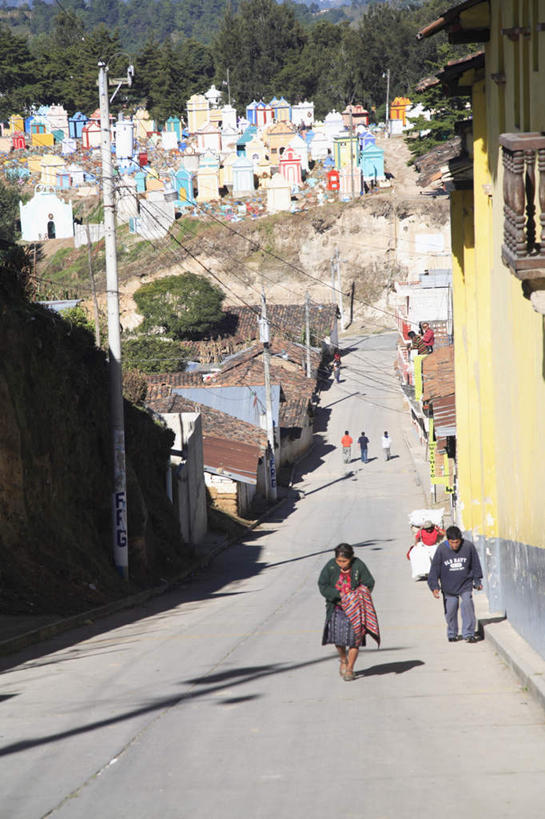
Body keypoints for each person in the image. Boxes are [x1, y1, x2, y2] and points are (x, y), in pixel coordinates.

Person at [318, 543, 378, 681]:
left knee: (354, 640)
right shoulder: (331, 566)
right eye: (339, 561)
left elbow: (369, 582)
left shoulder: (359, 566)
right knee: (338, 640)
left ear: (351, 558)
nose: (341, 564)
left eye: (344, 561)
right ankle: (343, 659)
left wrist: (358, 594)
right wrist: (338, 594)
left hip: (356, 610)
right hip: (337, 608)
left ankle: (350, 668)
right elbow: (322, 584)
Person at [428, 525, 483, 643]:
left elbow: (475, 564)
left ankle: (468, 633)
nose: (455, 545)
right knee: (451, 610)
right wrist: (434, 586)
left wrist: (477, 580)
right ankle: (452, 633)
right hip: (448, 587)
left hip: (465, 584)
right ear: (448, 540)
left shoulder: (468, 547)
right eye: (452, 542)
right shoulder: (441, 549)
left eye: (457, 542)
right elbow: (435, 569)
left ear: (460, 540)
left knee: (467, 604)